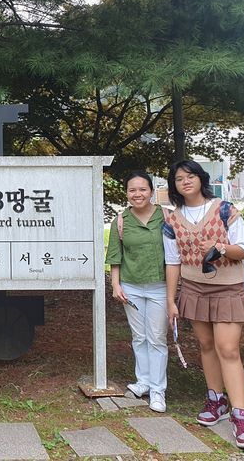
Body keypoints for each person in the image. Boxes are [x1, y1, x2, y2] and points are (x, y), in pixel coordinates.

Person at [163, 159, 244, 450]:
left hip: (228, 288)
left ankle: (240, 416)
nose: (186, 182)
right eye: (179, 179)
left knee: (227, 349)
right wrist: (171, 299)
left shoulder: (225, 209)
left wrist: (220, 249)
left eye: (190, 176)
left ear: (201, 179)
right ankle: (215, 399)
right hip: (193, 288)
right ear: (174, 186)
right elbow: (172, 261)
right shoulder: (172, 219)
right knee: (206, 346)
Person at [106, 171, 169, 413]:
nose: (137, 194)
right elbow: (115, 256)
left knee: (157, 338)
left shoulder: (166, 217)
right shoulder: (121, 220)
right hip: (131, 286)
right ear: (127, 193)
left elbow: (175, 255)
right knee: (139, 336)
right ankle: (143, 381)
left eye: (142, 189)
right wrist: (116, 285)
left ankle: (158, 390)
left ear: (151, 191)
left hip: (159, 286)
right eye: (132, 190)